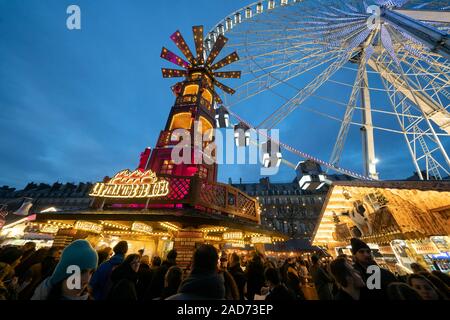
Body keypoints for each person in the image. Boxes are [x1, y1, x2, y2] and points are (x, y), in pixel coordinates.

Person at [31, 240, 98, 300]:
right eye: (81, 272)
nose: (87, 280)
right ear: (62, 274)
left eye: (91, 272)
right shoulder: (41, 293)